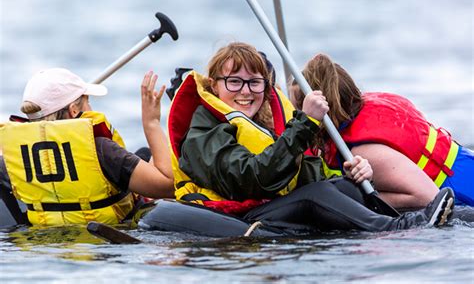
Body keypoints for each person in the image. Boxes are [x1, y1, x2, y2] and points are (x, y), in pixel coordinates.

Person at [164, 42, 454, 234]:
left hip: (268, 204)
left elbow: (306, 175)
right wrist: (305, 123)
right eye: (234, 81)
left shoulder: (263, 124)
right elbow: (253, 178)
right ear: (215, 86)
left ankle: (440, 217)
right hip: (234, 218)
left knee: (343, 187)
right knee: (317, 197)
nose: (245, 91)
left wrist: (354, 174)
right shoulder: (203, 130)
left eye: (255, 82)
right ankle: (397, 227)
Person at [290, 53, 473, 208]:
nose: (295, 118)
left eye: (299, 112)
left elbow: (428, 197)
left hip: (462, 194)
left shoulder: (365, 151)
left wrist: (360, 203)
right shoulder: (366, 107)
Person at [0, 68, 173, 226]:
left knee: (141, 155)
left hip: (45, 243)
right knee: (146, 154)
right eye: (87, 102)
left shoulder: (12, 158)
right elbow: (168, 185)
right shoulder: (101, 150)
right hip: (107, 243)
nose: (91, 108)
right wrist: (152, 123)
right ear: (74, 110)